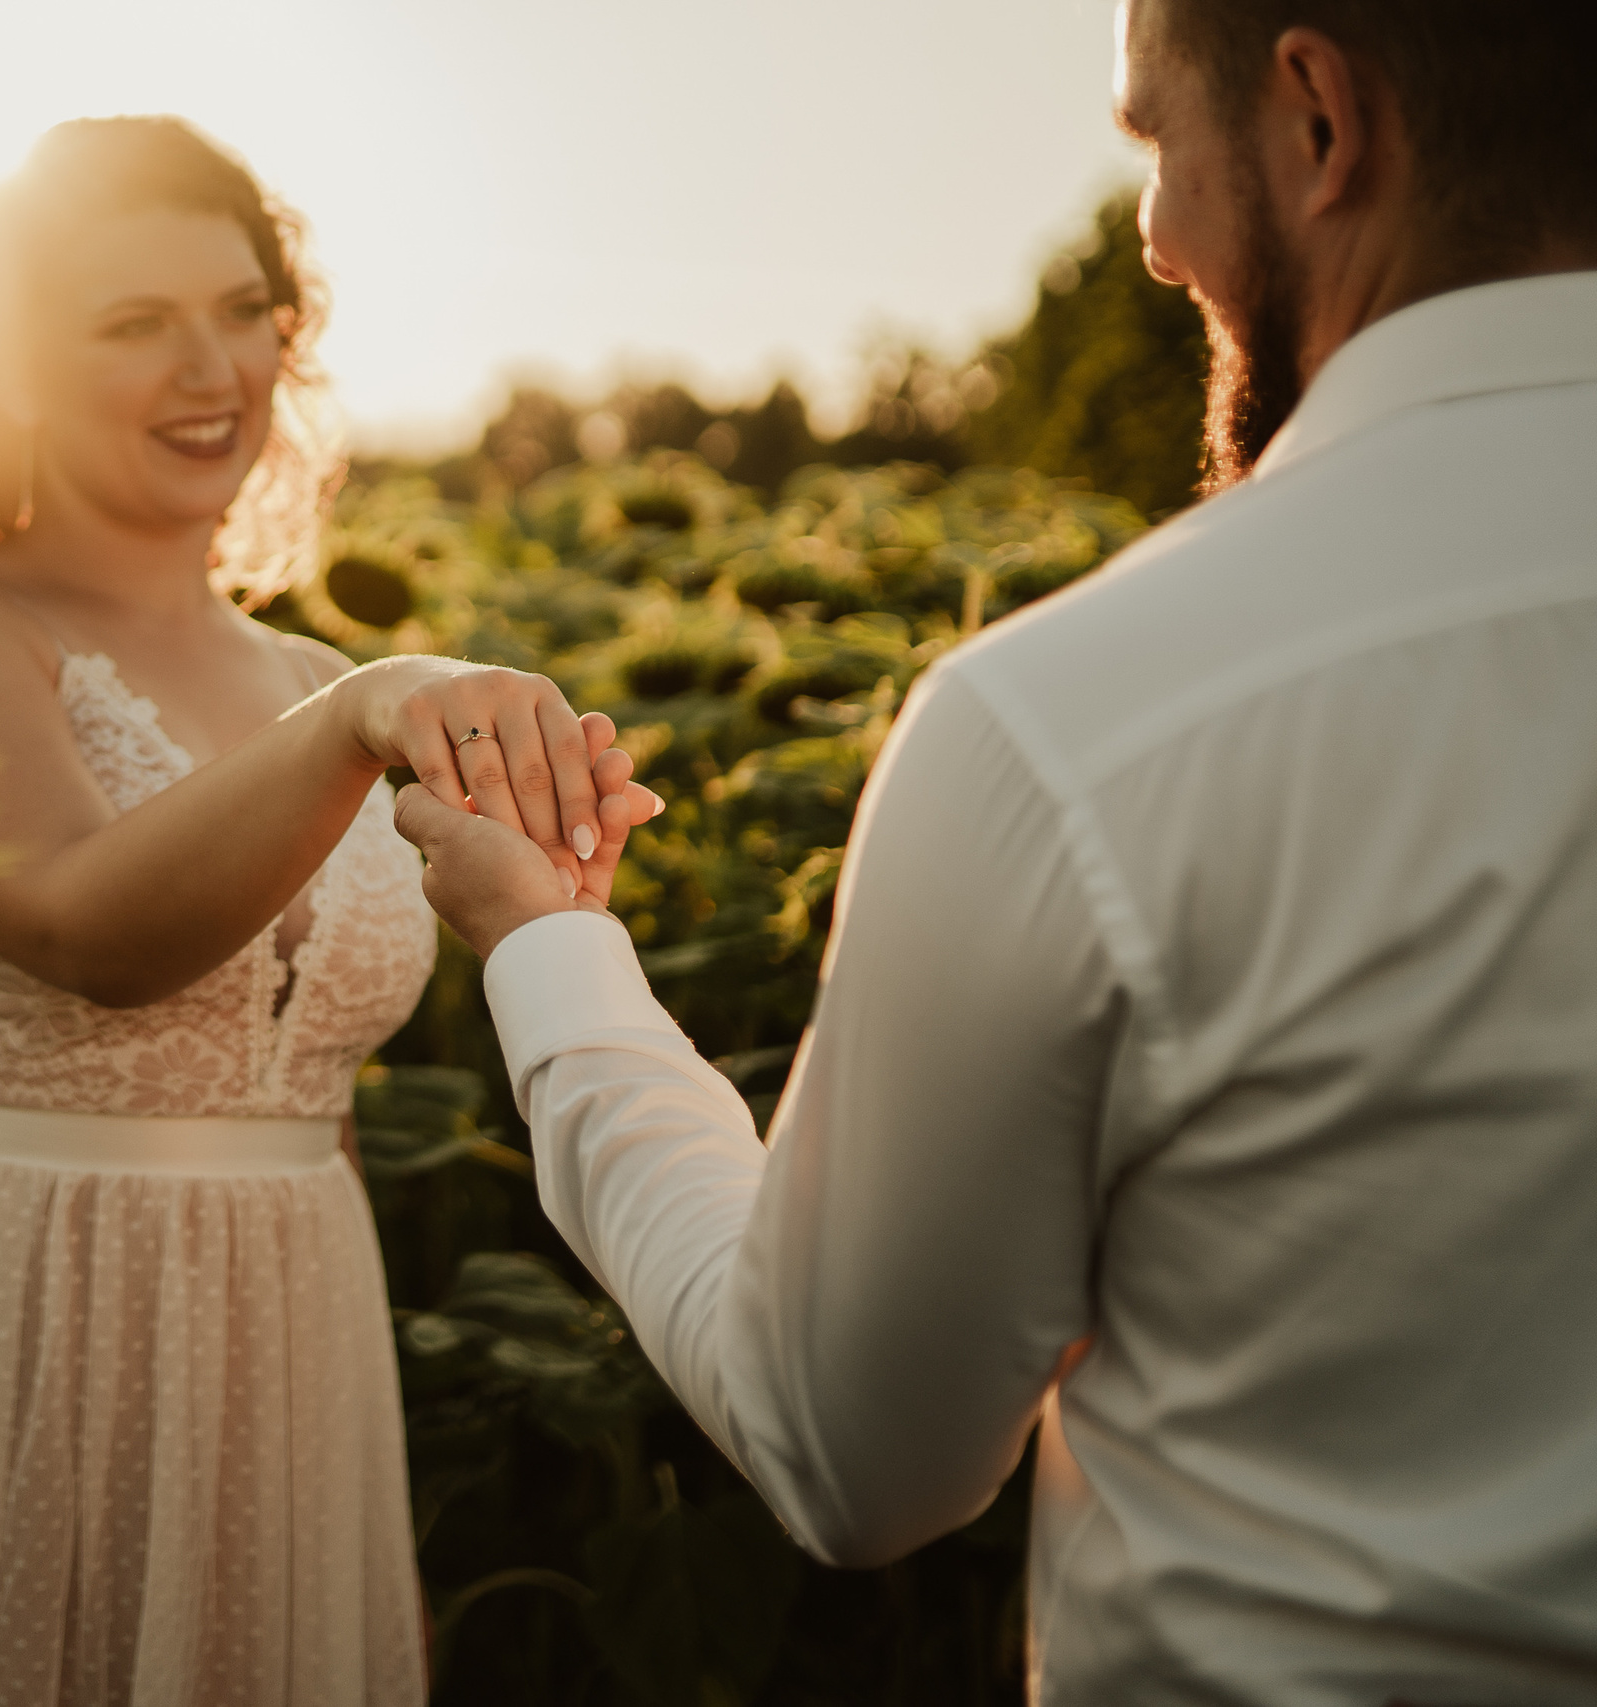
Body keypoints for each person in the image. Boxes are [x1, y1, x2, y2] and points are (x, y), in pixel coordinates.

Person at [393, 2, 1597, 1701]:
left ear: (1321, 121)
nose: (1160, 243)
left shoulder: (1082, 724)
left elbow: (842, 1445)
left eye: (1156, 146)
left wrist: (546, 953)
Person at [0, 117, 648, 1707]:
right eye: (131, 323)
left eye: (242, 306)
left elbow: (314, 1101)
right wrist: (375, 712)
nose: (212, 366)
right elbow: (86, 929)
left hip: (285, 1340)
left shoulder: (308, 679)